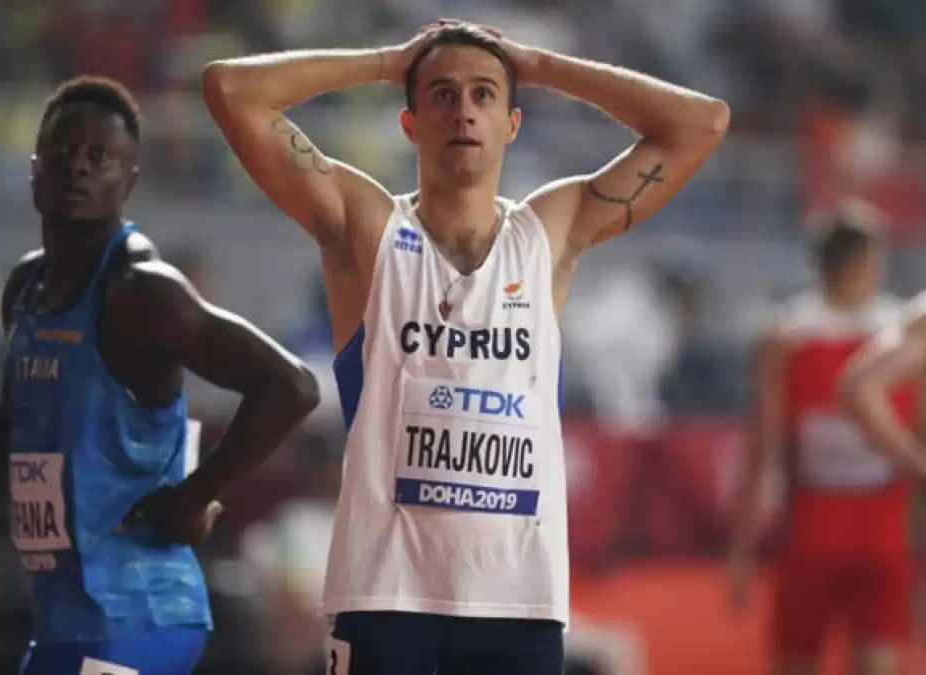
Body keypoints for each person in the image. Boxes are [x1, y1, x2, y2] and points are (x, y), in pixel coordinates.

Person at [204, 18, 728, 675]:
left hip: (519, 601)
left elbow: (702, 123)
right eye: (442, 94)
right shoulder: (367, 227)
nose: (464, 110)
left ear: (512, 124)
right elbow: (229, 89)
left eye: (484, 94)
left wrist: (540, 65)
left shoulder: (549, 232)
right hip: (385, 592)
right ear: (410, 122)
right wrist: (386, 60)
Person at [0, 76, 320, 675]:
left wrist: (193, 495)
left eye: (100, 156)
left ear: (129, 181)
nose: (78, 167)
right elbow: (10, 427)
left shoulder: (142, 292)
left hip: (140, 614)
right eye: (64, 152)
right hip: (64, 617)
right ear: (35, 172)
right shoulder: (28, 289)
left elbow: (291, 386)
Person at [730, 200, 919, 675]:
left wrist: (743, 548)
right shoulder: (899, 333)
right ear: (871, 259)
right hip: (863, 526)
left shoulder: (786, 336)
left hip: (833, 526)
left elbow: (764, 450)